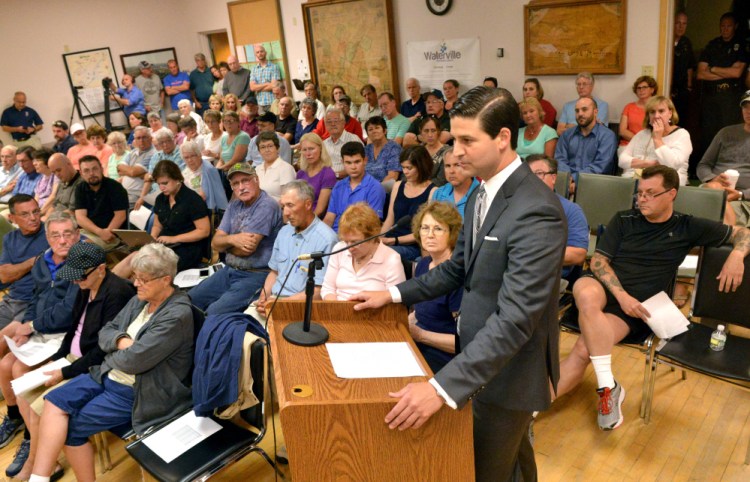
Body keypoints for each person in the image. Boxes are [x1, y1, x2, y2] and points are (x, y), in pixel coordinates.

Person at [351, 86, 566, 482]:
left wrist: (439, 388)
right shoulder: (485, 190)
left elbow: (516, 318)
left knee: (485, 471)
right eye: (455, 139)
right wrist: (394, 294)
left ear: (503, 138)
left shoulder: (536, 211)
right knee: (514, 464)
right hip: (477, 358)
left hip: (507, 372)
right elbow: (458, 269)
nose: (457, 151)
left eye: (468, 140)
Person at [555, 165, 749, 431]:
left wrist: (737, 255)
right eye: (640, 193)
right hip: (606, 292)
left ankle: (529, 412)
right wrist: (621, 296)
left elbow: (743, 232)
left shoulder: (687, 226)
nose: (641, 199)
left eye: (650, 194)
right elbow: (599, 261)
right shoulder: (624, 219)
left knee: (582, 349)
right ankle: (606, 385)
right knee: (586, 292)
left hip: (636, 309)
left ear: (671, 194)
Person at [29, 243, 195, 482]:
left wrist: (116, 350)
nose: (135, 283)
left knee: (71, 429)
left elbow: (134, 361)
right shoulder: (141, 298)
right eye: (135, 277)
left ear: (166, 279)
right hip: (108, 372)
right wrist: (121, 341)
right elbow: (106, 332)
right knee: (53, 401)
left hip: (138, 391)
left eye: (143, 279)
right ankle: (39, 478)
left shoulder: (176, 314)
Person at [10, 242, 134, 480]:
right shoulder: (85, 286)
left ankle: (36, 466)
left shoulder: (117, 293)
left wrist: (65, 372)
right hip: (70, 359)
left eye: (80, 276)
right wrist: (56, 360)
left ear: (100, 269)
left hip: (89, 365)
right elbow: (73, 328)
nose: (76, 281)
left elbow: (102, 350)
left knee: (43, 408)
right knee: (22, 395)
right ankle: (41, 463)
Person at [0, 212, 81, 454]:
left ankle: (31, 437)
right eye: (55, 235)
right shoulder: (43, 261)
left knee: (18, 369)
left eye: (68, 234)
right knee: (5, 364)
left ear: (77, 235)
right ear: (47, 238)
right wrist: (26, 324)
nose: (62, 240)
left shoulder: (80, 263)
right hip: (42, 329)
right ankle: (16, 417)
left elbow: (68, 312)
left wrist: (32, 326)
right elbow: (36, 299)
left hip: (66, 334)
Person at [188, 162, 283, 315]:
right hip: (230, 269)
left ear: (257, 180)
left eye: (245, 181)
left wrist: (225, 244)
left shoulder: (266, 205)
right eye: (235, 184)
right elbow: (214, 243)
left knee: (214, 312)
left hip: (256, 274)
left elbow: (247, 250)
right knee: (190, 300)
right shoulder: (234, 205)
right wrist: (234, 239)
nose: (241, 187)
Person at [251, 181, 339, 318]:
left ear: (308, 204)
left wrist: (281, 304)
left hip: (301, 308)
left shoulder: (327, 240)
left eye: (290, 205)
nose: (285, 213)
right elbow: (274, 272)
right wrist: (264, 297)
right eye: (283, 206)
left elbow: (319, 291)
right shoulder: (284, 232)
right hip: (274, 300)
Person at [115, 160, 210, 278]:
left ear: (177, 179)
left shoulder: (193, 200)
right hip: (165, 246)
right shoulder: (161, 198)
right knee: (134, 257)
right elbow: (157, 225)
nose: (161, 187)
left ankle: (128, 290)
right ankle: (107, 289)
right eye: (159, 184)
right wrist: (153, 237)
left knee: (142, 267)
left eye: (165, 183)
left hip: (186, 249)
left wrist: (173, 239)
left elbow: (204, 231)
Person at [408, 201, 463, 373]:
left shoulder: (458, 276)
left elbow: (466, 342)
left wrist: (421, 336)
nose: (429, 235)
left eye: (438, 229)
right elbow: (418, 312)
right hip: (418, 347)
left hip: (446, 361)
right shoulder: (423, 265)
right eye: (425, 228)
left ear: (452, 234)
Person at [321, 202, 405, 300]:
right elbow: (328, 289)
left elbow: (395, 303)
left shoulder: (391, 259)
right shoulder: (339, 249)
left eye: (355, 242)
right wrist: (340, 311)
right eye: (346, 241)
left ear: (372, 237)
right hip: (337, 311)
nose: (349, 248)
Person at [526, 154, 588, 281]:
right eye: (528, 175)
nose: (532, 180)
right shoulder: (514, 205)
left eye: (539, 174)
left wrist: (535, 255)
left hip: (549, 276)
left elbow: (578, 254)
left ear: (553, 178)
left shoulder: (571, 210)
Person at [696, 12, 749, 155]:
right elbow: (701, 73)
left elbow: (737, 73)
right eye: (723, 26)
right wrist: (726, 73)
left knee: (729, 131)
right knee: (708, 131)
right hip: (711, 95)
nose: (725, 29)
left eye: (729, 26)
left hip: (730, 96)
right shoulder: (712, 45)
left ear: (735, 27)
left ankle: (727, 164)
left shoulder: (741, 46)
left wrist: (712, 69)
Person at [697, 91, 750, 226]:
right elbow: (703, 165)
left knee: (713, 211)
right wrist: (713, 179)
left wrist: (740, 194)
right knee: (713, 192)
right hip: (713, 188)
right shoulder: (725, 133)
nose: (748, 111)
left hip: (742, 198)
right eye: (745, 107)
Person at [0, 195, 49, 333]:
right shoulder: (10, 238)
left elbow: (88, 245)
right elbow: (4, 276)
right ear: (12, 218)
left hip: (34, 303)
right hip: (11, 300)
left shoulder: (52, 232)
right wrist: (34, 261)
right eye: (25, 214)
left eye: (36, 211)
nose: (33, 218)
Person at [619, 96, 692, 186]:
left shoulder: (682, 134)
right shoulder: (642, 134)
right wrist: (648, 164)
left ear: (670, 113)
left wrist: (657, 139)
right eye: (652, 112)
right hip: (634, 178)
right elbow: (622, 160)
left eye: (661, 111)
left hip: (667, 183)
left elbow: (672, 165)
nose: (656, 116)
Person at [381, 146, 435, 263]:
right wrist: (379, 238)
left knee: (383, 254)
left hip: (412, 245)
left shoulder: (433, 191)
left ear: (421, 167)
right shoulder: (397, 185)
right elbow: (390, 219)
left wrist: (394, 241)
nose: (405, 172)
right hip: (390, 239)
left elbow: (423, 232)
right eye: (403, 167)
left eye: (409, 168)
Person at [555, 97, 618, 189]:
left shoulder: (607, 136)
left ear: (595, 112)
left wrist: (575, 179)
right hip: (566, 183)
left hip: (595, 185)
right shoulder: (567, 134)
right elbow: (560, 159)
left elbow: (600, 166)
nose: (580, 114)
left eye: (584, 109)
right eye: (577, 111)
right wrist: (567, 179)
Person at [323, 142, 385, 232]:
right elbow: (329, 218)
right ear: (342, 162)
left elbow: (373, 224)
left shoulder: (375, 187)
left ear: (365, 161)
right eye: (348, 162)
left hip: (356, 238)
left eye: (357, 162)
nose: (353, 167)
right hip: (334, 235)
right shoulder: (338, 186)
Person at [73, 156, 129, 249]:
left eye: (95, 169)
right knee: (64, 245)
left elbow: (120, 216)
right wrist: (99, 232)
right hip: (89, 232)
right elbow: (80, 217)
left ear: (101, 169)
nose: (91, 173)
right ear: (81, 174)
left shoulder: (115, 187)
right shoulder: (80, 188)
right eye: (86, 170)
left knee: (81, 248)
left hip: (112, 234)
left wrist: (106, 233)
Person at [430, 147, 480, 218]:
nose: (451, 171)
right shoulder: (438, 193)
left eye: (457, 165)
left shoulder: (482, 194)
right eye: (447, 166)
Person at [296, 133, 337, 218]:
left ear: (321, 149)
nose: (308, 153)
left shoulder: (328, 173)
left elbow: (320, 210)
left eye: (311, 149)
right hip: (299, 216)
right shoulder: (300, 173)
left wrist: (304, 222)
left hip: (315, 220)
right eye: (304, 150)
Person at [180, 140, 228, 212]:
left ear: (199, 155)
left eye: (192, 156)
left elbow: (205, 196)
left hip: (203, 209)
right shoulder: (183, 170)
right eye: (186, 157)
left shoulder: (209, 170)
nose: (190, 160)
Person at [117, 127, 152, 210]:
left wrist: (128, 171)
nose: (141, 141)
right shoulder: (132, 152)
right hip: (124, 191)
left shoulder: (152, 153)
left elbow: (133, 172)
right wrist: (135, 172)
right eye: (138, 138)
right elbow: (119, 169)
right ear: (135, 140)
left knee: (115, 208)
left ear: (150, 138)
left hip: (137, 194)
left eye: (144, 137)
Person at [255, 131, 296, 202]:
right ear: (259, 151)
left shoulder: (285, 168)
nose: (267, 150)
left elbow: (287, 198)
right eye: (263, 147)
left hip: (276, 210)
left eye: (270, 146)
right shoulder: (257, 169)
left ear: (277, 148)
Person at [322, 108, 363, 177]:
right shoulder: (324, 144)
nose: (333, 124)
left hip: (348, 180)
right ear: (325, 125)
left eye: (336, 121)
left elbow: (359, 165)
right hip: (325, 180)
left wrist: (336, 175)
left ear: (343, 123)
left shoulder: (353, 140)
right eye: (329, 121)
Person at [619, 76, 657, 149]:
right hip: (629, 145)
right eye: (638, 88)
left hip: (651, 145)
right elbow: (622, 131)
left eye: (644, 87)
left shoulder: (657, 108)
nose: (641, 90)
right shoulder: (629, 107)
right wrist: (639, 141)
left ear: (652, 90)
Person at [671, 12, 695, 125]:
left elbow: (690, 66)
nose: (681, 27)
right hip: (669, 87)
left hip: (682, 90)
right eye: (678, 23)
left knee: (681, 120)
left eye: (684, 24)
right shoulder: (667, 40)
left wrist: (689, 86)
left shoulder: (686, 42)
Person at [364, 116, 402, 184]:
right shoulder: (366, 150)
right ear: (367, 134)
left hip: (384, 189)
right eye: (370, 129)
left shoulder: (394, 148)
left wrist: (375, 190)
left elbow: (393, 176)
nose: (374, 131)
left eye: (377, 128)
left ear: (385, 131)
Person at [250, 44, 281, 113]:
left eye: (261, 51)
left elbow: (274, 86)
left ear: (265, 52)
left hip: (272, 102)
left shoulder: (274, 67)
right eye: (257, 52)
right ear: (256, 55)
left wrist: (258, 87)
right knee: (262, 123)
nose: (260, 53)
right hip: (260, 103)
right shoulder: (254, 69)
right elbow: (252, 88)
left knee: (274, 123)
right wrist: (267, 84)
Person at [31, 149, 58, 214]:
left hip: (51, 208)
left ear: (47, 162)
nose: (34, 164)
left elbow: (53, 196)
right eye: (34, 160)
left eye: (38, 160)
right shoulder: (41, 178)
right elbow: (36, 198)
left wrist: (39, 213)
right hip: (39, 209)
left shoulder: (56, 176)